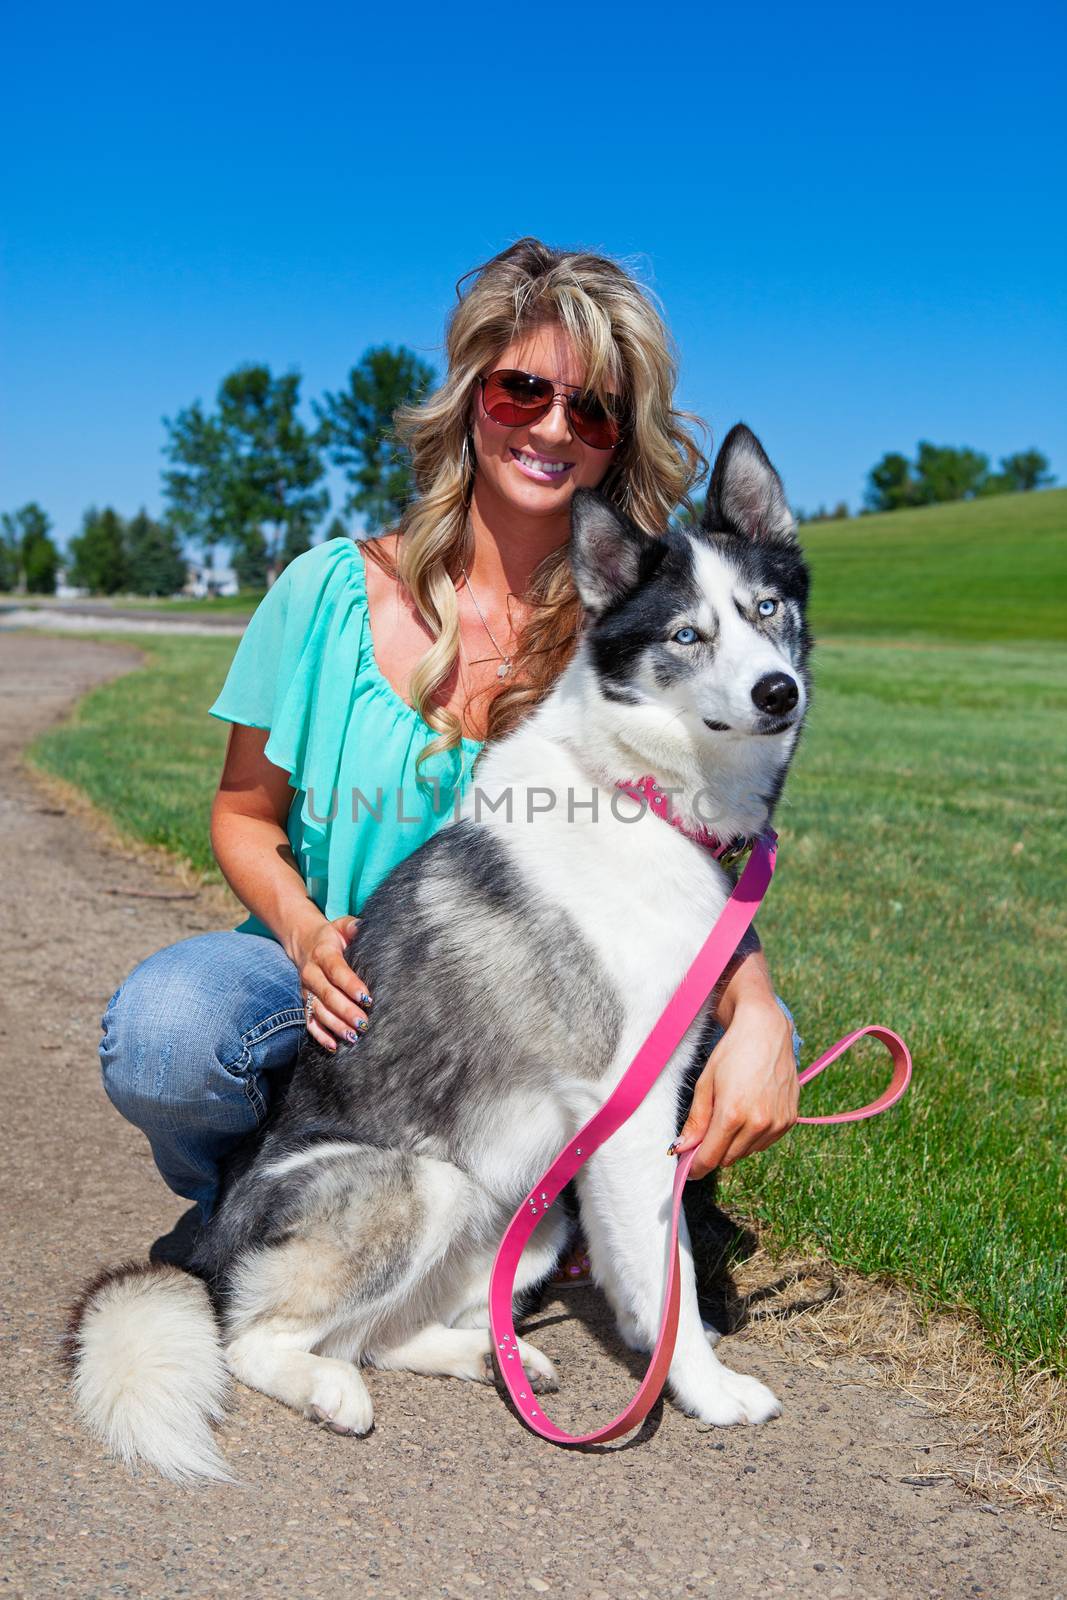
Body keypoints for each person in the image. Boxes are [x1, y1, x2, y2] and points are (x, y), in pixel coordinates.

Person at [99, 237, 802, 1283]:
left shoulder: (650, 631)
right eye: (522, 390)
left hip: (546, 1014)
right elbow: (244, 816)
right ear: (471, 396)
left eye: (593, 409)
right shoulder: (323, 593)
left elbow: (698, 862)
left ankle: (514, 1224)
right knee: (171, 1031)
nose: (554, 428)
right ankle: (271, 1211)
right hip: (340, 994)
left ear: (620, 439)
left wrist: (760, 1013)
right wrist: (302, 932)